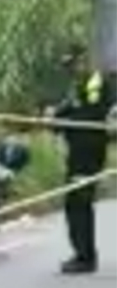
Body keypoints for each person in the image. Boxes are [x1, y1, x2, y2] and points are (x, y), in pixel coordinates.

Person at [49, 43, 115, 274]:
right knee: (74, 202)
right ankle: (82, 253)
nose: (70, 69)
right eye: (67, 66)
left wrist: (64, 118)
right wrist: (54, 119)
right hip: (77, 152)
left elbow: (92, 115)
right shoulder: (78, 85)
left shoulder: (95, 82)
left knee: (79, 202)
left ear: (83, 60)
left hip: (89, 152)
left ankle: (85, 257)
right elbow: (66, 111)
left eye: (72, 64)